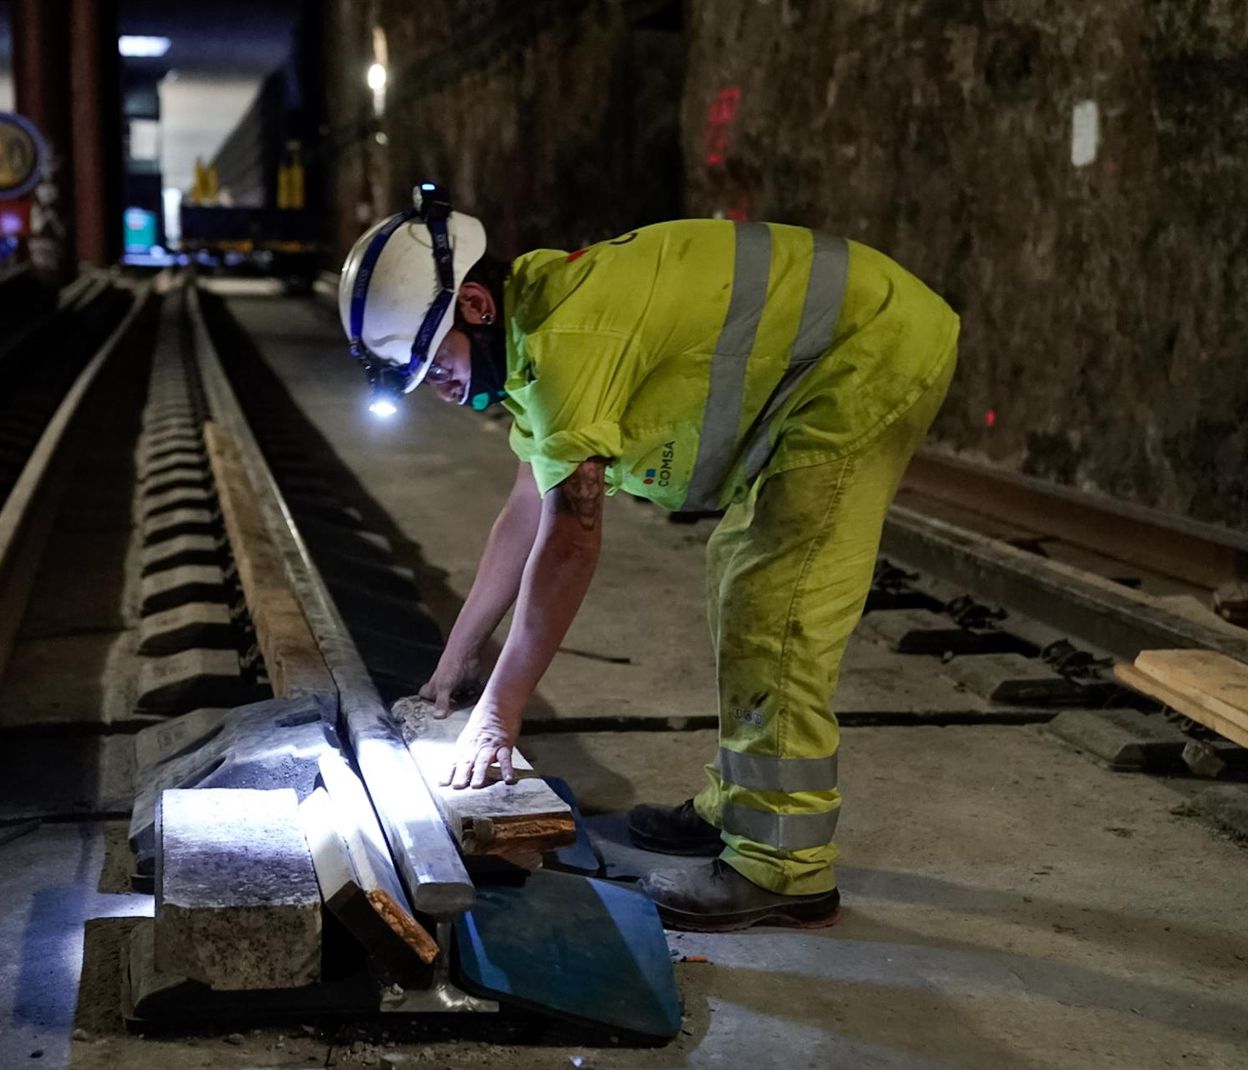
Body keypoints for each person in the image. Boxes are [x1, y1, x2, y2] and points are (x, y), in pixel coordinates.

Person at [337, 184, 958, 932]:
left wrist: (500, 713)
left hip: (868, 351)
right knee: (740, 576)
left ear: (475, 307)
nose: (438, 390)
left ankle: (783, 868)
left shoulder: (570, 341)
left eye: (435, 364)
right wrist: (456, 662)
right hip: (842, 351)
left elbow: (569, 541)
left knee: (776, 605)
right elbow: (522, 515)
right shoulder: (535, 330)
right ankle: (740, 804)